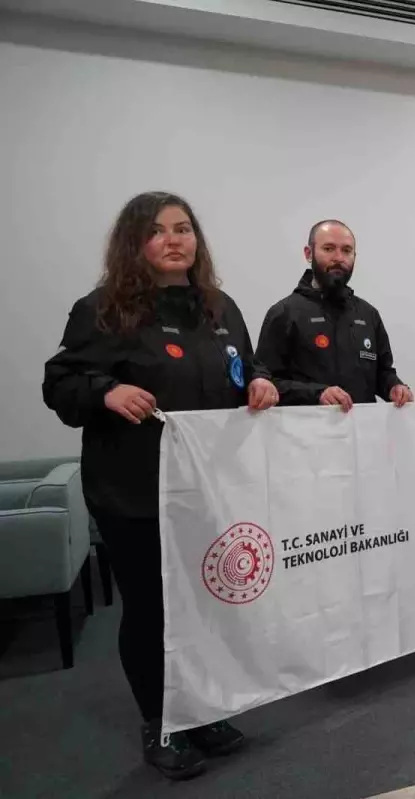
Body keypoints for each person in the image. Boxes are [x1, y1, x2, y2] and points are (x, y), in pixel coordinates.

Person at [43, 192, 279, 780]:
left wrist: (260, 382)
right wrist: (107, 390)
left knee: (205, 605)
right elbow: (60, 383)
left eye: (183, 228)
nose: (174, 240)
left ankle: (202, 710)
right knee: (152, 610)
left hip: (207, 491)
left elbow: (245, 366)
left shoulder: (220, 308)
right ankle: (162, 722)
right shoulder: (103, 309)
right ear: (135, 243)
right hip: (133, 492)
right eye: (157, 231)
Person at [256, 219, 413, 410]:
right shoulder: (284, 313)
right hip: (305, 428)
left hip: (363, 428)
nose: (339, 258)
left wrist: (394, 387)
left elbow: (383, 372)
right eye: (329, 249)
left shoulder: (368, 314)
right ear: (309, 253)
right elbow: (265, 383)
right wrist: (317, 394)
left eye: (346, 250)